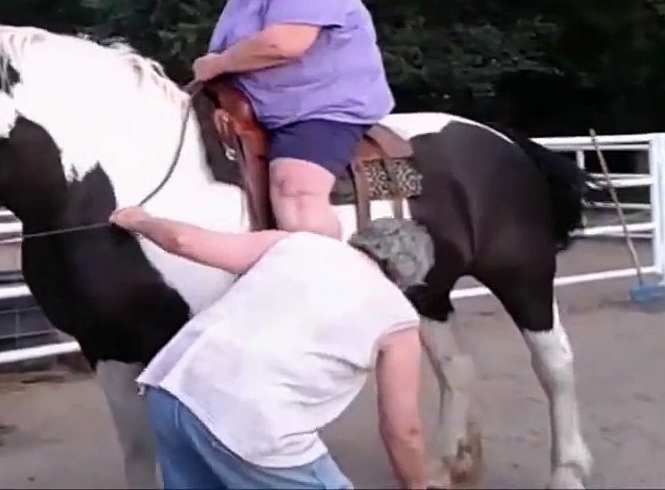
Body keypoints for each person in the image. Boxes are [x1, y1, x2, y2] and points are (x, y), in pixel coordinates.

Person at [109, 205, 428, 490]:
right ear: (406, 278)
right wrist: (415, 484)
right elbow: (403, 430)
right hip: (251, 423)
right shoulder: (398, 318)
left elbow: (183, 242)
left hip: (173, 391)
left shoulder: (295, 243)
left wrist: (141, 220)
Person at [192, 0, 395, 240]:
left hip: (319, 107)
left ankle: (325, 279)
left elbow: (283, 44)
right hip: (255, 103)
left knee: (295, 191)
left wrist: (219, 63)